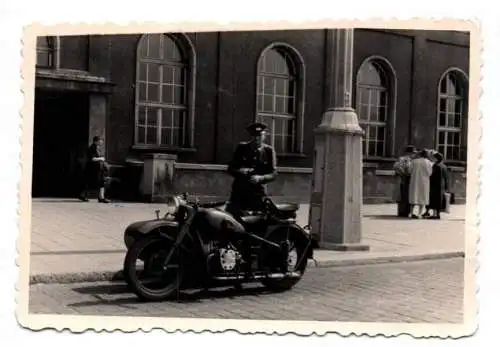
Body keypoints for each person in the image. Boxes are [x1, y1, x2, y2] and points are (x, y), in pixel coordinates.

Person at [226, 122, 277, 218]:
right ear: (251, 136)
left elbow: (274, 174)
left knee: (258, 223)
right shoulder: (242, 148)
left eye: (259, 136)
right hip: (240, 193)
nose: (257, 138)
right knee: (233, 221)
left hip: (258, 194)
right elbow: (230, 168)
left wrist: (260, 178)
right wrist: (241, 171)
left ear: (264, 136)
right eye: (254, 136)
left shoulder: (269, 151)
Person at [78, 136, 110, 203]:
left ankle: (101, 197)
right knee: (90, 182)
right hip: (92, 169)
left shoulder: (97, 148)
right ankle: (83, 195)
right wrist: (101, 159)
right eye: (100, 140)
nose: (101, 142)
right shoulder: (92, 148)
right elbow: (92, 159)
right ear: (96, 141)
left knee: (101, 182)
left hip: (98, 168)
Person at [408, 149, 434, 219]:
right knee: (422, 197)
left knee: (413, 196)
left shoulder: (414, 161)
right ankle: (419, 213)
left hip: (415, 181)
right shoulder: (428, 162)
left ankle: (411, 213)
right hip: (424, 182)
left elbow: (409, 171)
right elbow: (430, 173)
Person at [393, 145, 416, 217]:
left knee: (403, 196)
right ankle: (404, 211)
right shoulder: (406, 159)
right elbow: (397, 167)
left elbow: (396, 167)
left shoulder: (403, 159)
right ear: (410, 153)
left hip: (404, 180)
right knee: (405, 196)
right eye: (413, 153)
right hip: (405, 179)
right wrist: (404, 174)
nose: (414, 154)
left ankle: (403, 211)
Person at [427, 152, 449, 219]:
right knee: (439, 200)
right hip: (441, 185)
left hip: (434, 185)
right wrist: (446, 186)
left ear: (436, 159)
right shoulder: (444, 166)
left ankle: (434, 215)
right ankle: (438, 214)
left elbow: (432, 175)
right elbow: (446, 177)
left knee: (434, 200)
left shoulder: (435, 165)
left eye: (434, 158)